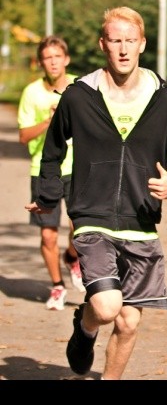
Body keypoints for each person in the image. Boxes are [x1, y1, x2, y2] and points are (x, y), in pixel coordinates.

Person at [25, 6, 167, 380]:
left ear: (142, 45)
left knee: (128, 323)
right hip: (92, 217)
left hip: (141, 221)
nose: (123, 49)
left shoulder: (165, 100)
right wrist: (47, 196)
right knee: (106, 308)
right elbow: (53, 150)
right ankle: (87, 327)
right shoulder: (79, 96)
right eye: (115, 40)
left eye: (130, 40)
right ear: (102, 44)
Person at [17, 35, 85, 311]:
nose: (53, 62)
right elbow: (23, 136)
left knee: (79, 230)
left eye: (58, 56)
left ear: (66, 60)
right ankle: (57, 286)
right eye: (48, 57)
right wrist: (49, 121)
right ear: (41, 62)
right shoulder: (32, 93)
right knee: (47, 235)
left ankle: (72, 257)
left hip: (77, 167)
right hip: (43, 170)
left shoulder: (80, 86)